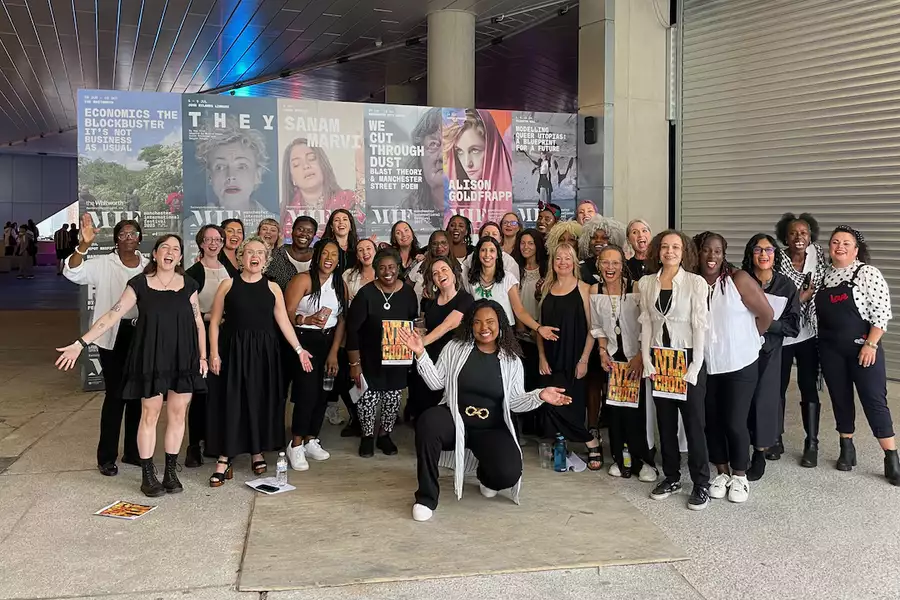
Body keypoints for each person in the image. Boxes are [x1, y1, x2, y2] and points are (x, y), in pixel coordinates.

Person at [57, 234, 207, 498]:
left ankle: (170, 473)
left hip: (184, 358)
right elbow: (113, 314)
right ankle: (148, 475)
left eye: (175, 249)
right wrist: (81, 343)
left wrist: (203, 357)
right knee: (149, 415)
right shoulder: (140, 284)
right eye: (164, 248)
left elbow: (198, 325)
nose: (170, 252)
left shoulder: (189, 285)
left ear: (180, 257)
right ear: (156, 254)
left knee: (177, 414)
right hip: (151, 356)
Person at [401, 299, 573, 522]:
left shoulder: (512, 360)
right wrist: (421, 354)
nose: (484, 328)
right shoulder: (455, 348)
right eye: (478, 322)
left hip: (490, 426)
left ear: (500, 324)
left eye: (490, 322)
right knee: (428, 422)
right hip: (454, 417)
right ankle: (426, 497)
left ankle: (485, 476)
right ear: (470, 325)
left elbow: (514, 402)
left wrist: (539, 395)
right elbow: (436, 383)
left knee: (508, 473)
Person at [206, 236, 313, 486]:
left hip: (264, 353)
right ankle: (225, 457)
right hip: (233, 351)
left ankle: (256, 451)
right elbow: (214, 321)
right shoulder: (227, 284)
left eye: (260, 253)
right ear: (241, 257)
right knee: (232, 402)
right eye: (250, 252)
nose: (255, 256)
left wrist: (299, 349)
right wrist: (213, 353)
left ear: (265, 260)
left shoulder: (273, 287)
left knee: (258, 400)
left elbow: (283, 322)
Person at [63, 214, 148, 476]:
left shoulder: (149, 265)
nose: (128, 239)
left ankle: (134, 452)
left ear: (140, 239)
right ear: (115, 240)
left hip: (142, 335)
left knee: (138, 396)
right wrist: (83, 246)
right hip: (113, 336)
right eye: (122, 235)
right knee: (115, 396)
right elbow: (73, 271)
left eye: (132, 234)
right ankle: (106, 457)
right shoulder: (103, 264)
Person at [816, 226, 899, 486]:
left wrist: (871, 345)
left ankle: (891, 457)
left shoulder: (867, 273)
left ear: (856, 249)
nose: (839, 247)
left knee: (874, 401)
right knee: (840, 400)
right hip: (830, 350)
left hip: (863, 349)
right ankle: (847, 449)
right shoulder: (824, 276)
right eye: (835, 242)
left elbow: (881, 314)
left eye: (846, 243)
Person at [695, 232, 773, 504]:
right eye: (706, 250)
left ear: (724, 253)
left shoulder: (737, 280)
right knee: (712, 420)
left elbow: (766, 315)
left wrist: (748, 340)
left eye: (717, 251)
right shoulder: (693, 283)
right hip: (706, 364)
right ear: (698, 252)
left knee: (735, 420)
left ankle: (740, 475)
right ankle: (722, 471)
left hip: (740, 363)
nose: (712, 256)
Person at [637, 230, 711, 511]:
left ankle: (701, 483)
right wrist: (646, 359)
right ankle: (671, 476)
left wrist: (695, 365)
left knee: (693, 423)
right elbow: (646, 324)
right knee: (665, 422)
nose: (670, 252)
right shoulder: (646, 283)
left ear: (684, 252)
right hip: (660, 358)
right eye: (665, 247)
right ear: (658, 251)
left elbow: (699, 325)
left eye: (676, 247)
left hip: (688, 357)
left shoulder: (695, 283)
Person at [590, 244, 657, 481]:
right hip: (612, 359)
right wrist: (601, 352)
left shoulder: (635, 288)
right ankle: (620, 458)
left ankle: (645, 461)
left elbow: (646, 322)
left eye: (615, 263)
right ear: (599, 264)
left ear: (623, 265)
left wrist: (641, 354)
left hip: (635, 357)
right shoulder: (594, 289)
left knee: (638, 412)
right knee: (616, 412)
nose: (610, 267)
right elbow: (597, 326)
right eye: (605, 262)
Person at [346, 247, 419, 457]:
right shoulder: (366, 293)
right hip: (369, 359)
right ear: (376, 270)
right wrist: (354, 364)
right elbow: (352, 330)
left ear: (399, 268)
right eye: (382, 267)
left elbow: (414, 322)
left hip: (397, 359)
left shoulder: (407, 293)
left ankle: (385, 435)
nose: (388, 271)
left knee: (392, 399)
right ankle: (367, 437)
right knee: (367, 400)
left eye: (392, 267)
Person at [537, 243, 603, 469]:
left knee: (570, 404)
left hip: (575, 355)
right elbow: (540, 327)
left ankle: (590, 441)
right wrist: (541, 356)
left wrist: (584, 359)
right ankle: (582, 442)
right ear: (552, 263)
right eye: (558, 258)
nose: (562, 262)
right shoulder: (547, 288)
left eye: (567, 258)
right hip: (552, 357)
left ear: (574, 262)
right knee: (550, 404)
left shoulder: (585, 288)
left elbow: (593, 328)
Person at [283, 239, 348, 470]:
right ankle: (296, 444)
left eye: (334, 254)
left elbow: (341, 320)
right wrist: (305, 319)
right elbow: (286, 312)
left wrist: (333, 353)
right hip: (304, 340)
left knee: (324, 393)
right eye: (325, 253)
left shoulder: (340, 284)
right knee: (306, 393)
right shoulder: (303, 280)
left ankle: (311, 439)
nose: (329, 258)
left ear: (339, 260)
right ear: (317, 256)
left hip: (328, 341)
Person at [742, 234, 800, 481]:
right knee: (740, 401)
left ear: (776, 255)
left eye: (768, 250)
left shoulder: (786, 286)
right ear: (750, 254)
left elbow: (793, 327)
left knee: (765, 402)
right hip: (741, 351)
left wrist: (766, 323)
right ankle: (739, 448)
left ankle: (760, 452)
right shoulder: (740, 281)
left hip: (770, 352)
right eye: (758, 249)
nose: (763, 254)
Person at [775, 212, 827, 465]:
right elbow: (773, 293)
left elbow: (826, 285)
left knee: (808, 387)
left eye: (804, 233)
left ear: (811, 236)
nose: (799, 237)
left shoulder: (818, 257)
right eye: (794, 233)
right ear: (785, 236)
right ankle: (775, 437)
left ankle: (812, 443)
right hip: (784, 332)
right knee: (778, 387)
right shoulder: (777, 259)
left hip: (809, 332)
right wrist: (800, 298)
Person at [183, 224, 231, 468]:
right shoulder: (193, 273)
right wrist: (207, 317)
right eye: (208, 239)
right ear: (201, 243)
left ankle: (216, 440)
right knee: (201, 393)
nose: (213, 243)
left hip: (228, 339)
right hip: (201, 340)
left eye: (218, 239)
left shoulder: (230, 269)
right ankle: (194, 446)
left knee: (222, 393)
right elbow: (185, 309)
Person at [409, 256, 474, 422]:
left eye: (444, 269)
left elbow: (448, 325)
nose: (440, 274)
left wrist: (421, 343)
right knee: (423, 405)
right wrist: (418, 337)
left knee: (446, 407)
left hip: (452, 360)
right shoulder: (428, 301)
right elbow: (422, 325)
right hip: (428, 358)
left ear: (453, 273)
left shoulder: (465, 299)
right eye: (435, 273)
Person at [464, 237, 557, 342]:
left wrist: (538, 328)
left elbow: (519, 310)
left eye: (492, 250)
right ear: (478, 253)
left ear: (498, 255)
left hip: (505, 333)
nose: (487, 255)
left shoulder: (508, 278)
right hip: (480, 332)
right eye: (483, 250)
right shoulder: (471, 280)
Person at [443, 109, 513, 229]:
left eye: (475, 150)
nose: (467, 163)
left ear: (492, 148)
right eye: (459, 151)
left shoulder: (510, 194)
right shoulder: (454, 205)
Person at [281, 137, 362, 237]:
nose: (306, 166)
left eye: (311, 159)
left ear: (323, 164)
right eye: (296, 164)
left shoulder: (349, 201)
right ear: (291, 178)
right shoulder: (284, 214)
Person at [195, 121, 271, 212]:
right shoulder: (191, 224)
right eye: (220, 167)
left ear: (257, 175)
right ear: (210, 176)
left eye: (242, 166)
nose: (231, 176)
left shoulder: (278, 224)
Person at [513, 228, 549, 394]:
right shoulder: (514, 270)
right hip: (519, 331)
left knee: (538, 379)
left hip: (540, 330)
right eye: (522, 243)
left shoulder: (547, 271)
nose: (526, 247)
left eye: (530, 243)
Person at [401, 107, 445, 228]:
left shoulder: (484, 207)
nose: (442, 156)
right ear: (419, 156)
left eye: (450, 144)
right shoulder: (402, 214)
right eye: (433, 144)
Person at [265, 216, 317, 291]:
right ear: (292, 231)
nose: (304, 234)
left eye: (309, 231)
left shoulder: (319, 257)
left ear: (314, 235)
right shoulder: (275, 255)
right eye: (300, 229)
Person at [578, 215, 627, 283]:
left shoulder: (624, 266)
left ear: (614, 241)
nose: (598, 240)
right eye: (593, 237)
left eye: (604, 238)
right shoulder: (580, 268)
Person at [407, 230, 451, 303]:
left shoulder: (458, 268)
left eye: (443, 243)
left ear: (449, 245)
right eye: (434, 244)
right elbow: (405, 290)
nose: (439, 246)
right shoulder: (420, 266)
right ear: (430, 247)